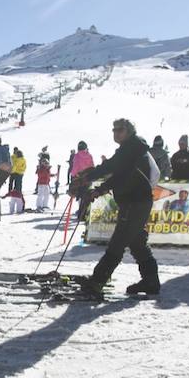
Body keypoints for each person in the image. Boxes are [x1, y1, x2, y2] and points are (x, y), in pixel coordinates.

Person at [70, 118, 160, 298]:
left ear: (129, 131)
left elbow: (118, 173)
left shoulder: (132, 149)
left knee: (118, 242)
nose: (115, 133)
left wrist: (95, 184)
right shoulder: (130, 149)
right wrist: (93, 181)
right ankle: (151, 281)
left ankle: (97, 281)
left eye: (119, 130)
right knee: (136, 242)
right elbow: (115, 169)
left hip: (135, 201)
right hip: (135, 201)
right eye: (114, 130)